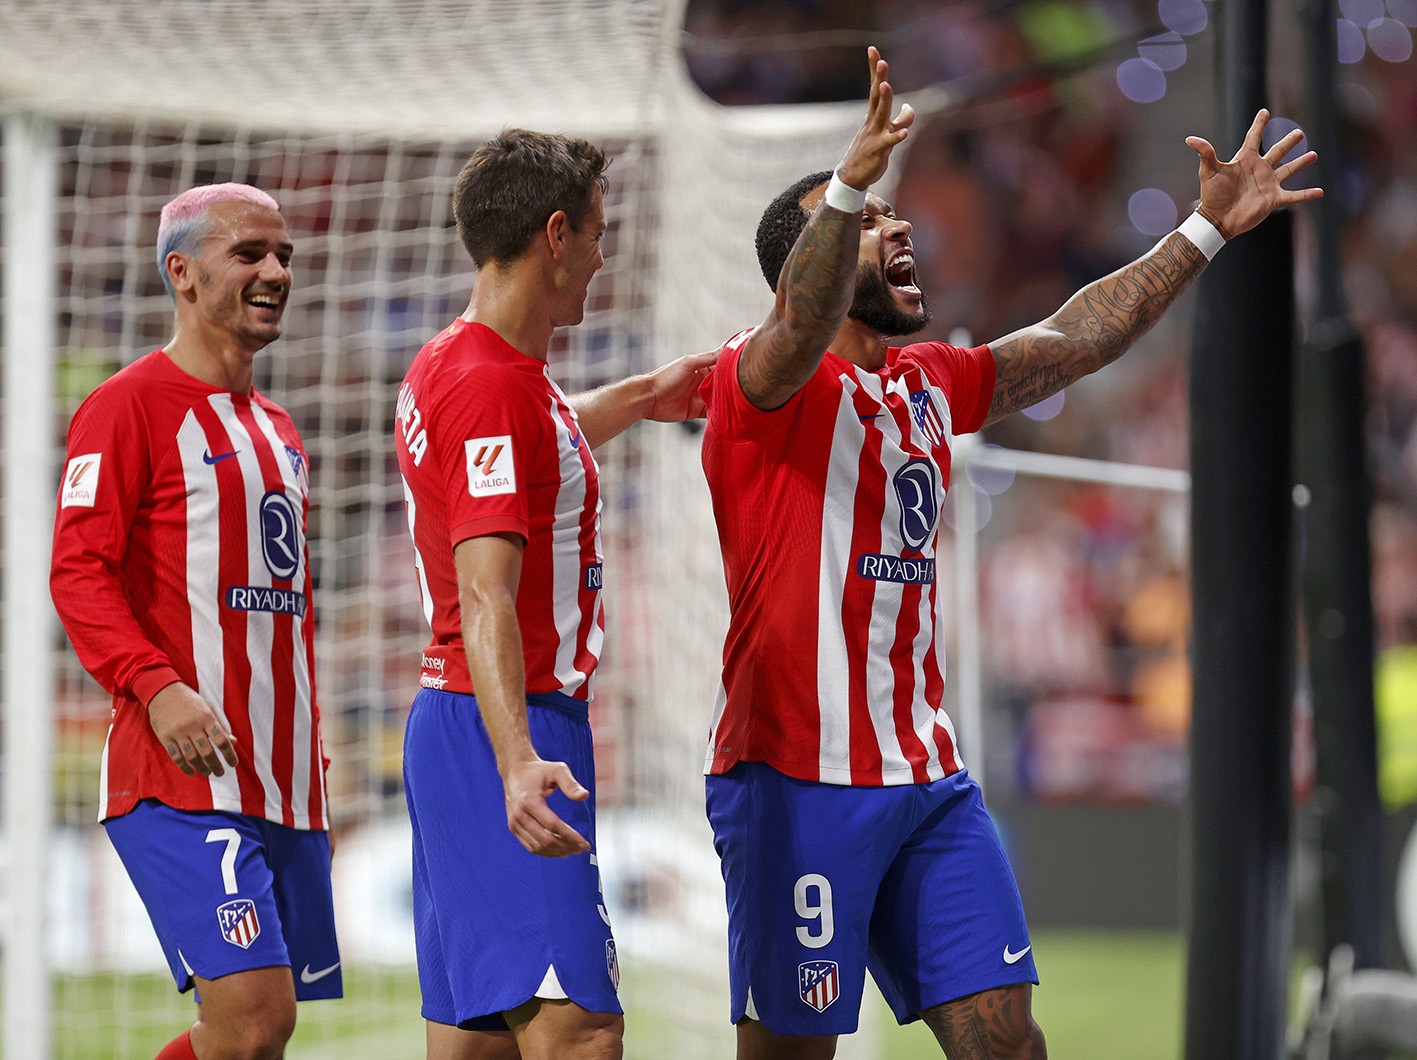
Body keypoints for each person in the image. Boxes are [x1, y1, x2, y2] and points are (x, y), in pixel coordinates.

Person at [699, 45, 1322, 1059]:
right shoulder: (759, 385)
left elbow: (1074, 340)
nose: (899, 226)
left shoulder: (926, 384)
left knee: (1007, 1041)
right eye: (866, 223)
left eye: (891, 214)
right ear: (812, 262)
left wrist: (1203, 227)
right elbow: (797, 321)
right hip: (795, 782)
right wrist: (846, 183)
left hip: (926, 779)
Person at [394, 129, 715, 1060]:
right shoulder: (491, 389)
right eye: (599, 232)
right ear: (556, 234)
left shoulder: (457, 363)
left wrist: (644, 395)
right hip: (510, 725)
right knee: (582, 1030)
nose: (604, 257)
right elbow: (485, 593)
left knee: (478, 1043)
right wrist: (516, 761)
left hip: (459, 721)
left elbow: (539, 439)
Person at [50, 183, 340, 1060]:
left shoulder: (279, 430)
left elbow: (279, 608)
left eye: (283, 255)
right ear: (181, 272)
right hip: (178, 777)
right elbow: (78, 571)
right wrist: (157, 686)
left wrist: (310, 743)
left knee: (255, 1037)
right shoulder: (126, 406)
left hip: (281, 776)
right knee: (254, 1020)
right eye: (249, 253)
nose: (275, 271)